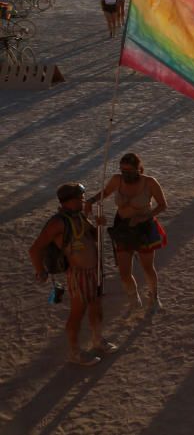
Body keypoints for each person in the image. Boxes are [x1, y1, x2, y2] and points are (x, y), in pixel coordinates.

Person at [29, 183, 118, 365]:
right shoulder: (58, 222)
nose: (84, 200)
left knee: (96, 306)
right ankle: (74, 352)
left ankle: (97, 339)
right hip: (79, 275)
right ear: (70, 200)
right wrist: (41, 271)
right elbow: (35, 249)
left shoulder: (78, 217)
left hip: (94, 271)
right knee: (77, 313)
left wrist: (99, 225)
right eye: (81, 197)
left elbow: (93, 236)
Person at [88, 153, 168, 314]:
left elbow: (162, 205)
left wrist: (143, 217)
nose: (125, 174)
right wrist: (90, 201)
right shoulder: (117, 179)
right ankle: (134, 299)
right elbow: (105, 192)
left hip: (144, 228)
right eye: (122, 170)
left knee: (147, 267)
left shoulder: (150, 182)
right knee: (124, 272)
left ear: (138, 169)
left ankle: (154, 296)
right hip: (122, 227)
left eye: (129, 170)